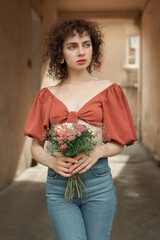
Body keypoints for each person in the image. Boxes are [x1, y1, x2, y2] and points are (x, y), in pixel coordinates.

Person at [24, 18, 138, 240]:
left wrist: (98, 151)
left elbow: (119, 143)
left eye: (86, 44)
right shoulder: (46, 95)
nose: (81, 51)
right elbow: (35, 148)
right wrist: (52, 161)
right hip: (58, 187)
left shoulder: (108, 90)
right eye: (72, 46)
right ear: (60, 54)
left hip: (98, 184)